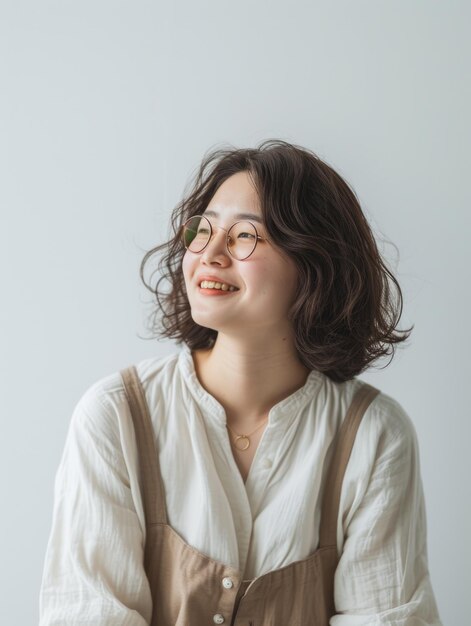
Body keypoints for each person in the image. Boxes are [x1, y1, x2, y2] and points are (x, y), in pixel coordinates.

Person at [38, 139, 443, 625]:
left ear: (313, 264)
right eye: (202, 230)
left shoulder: (373, 434)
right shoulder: (115, 416)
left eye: (245, 236)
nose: (209, 252)